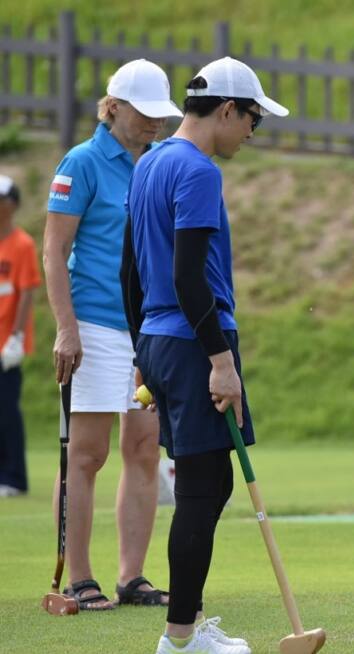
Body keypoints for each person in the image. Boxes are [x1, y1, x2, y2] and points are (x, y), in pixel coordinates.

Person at [122, 56, 287, 654]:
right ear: (226, 110)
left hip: (164, 341)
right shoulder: (197, 172)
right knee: (200, 486)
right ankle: (181, 639)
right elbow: (188, 275)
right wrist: (220, 360)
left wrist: (143, 347)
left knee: (212, 481)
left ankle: (187, 625)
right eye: (252, 120)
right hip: (196, 341)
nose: (251, 132)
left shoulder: (149, 163)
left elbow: (130, 269)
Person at [42, 59, 181, 610]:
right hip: (94, 324)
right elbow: (54, 249)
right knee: (87, 454)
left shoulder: (157, 162)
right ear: (114, 108)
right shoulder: (82, 162)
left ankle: (132, 576)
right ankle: (80, 575)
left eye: (159, 115)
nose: (154, 123)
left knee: (145, 448)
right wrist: (66, 329)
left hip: (147, 327)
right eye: (145, 114)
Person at [0, 175, 40, 498]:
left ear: (11, 204)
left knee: (6, 409)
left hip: (7, 344)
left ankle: (14, 477)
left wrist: (15, 337)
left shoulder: (22, 244)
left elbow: (27, 292)